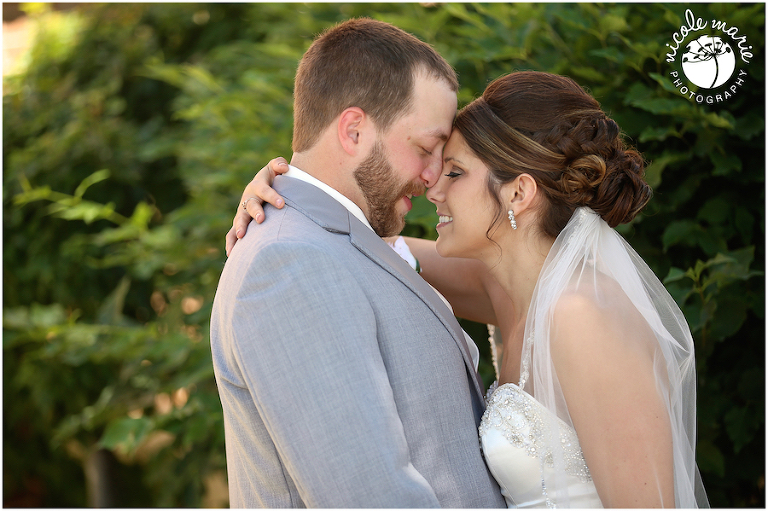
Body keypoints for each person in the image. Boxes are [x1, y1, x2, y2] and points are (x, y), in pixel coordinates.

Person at [229, 71, 709, 508]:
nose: (433, 187)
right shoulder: (505, 289)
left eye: (455, 173)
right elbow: (356, 245)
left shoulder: (584, 315)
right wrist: (291, 193)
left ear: (518, 192)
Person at [210, 18, 506, 508]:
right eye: (425, 148)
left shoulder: (336, 244)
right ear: (353, 131)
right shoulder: (289, 264)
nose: (434, 176)